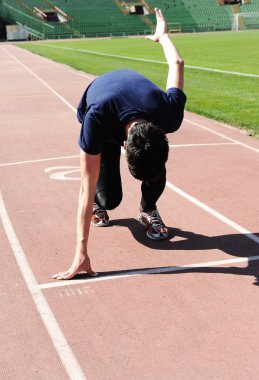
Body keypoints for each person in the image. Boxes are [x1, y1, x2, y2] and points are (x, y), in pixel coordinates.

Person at [53, 8, 186, 280]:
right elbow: (84, 186)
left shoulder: (168, 116)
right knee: (109, 198)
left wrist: (163, 37)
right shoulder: (96, 121)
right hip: (101, 97)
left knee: (155, 171)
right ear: (126, 147)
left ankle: (148, 209)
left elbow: (178, 64)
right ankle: (104, 206)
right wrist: (81, 252)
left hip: (134, 105)